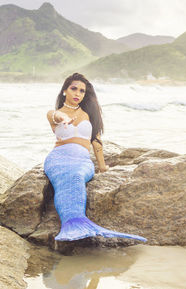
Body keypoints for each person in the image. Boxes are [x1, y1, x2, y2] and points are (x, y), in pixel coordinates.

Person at [43, 72, 147, 242]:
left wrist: (102, 166)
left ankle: (77, 222)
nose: (77, 94)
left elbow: (96, 142)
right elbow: (57, 117)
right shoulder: (54, 113)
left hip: (82, 159)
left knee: (76, 176)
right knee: (64, 176)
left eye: (82, 91)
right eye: (74, 89)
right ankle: (70, 225)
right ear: (64, 91)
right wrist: (65, 117)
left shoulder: (89, 114)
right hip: (58, 157)